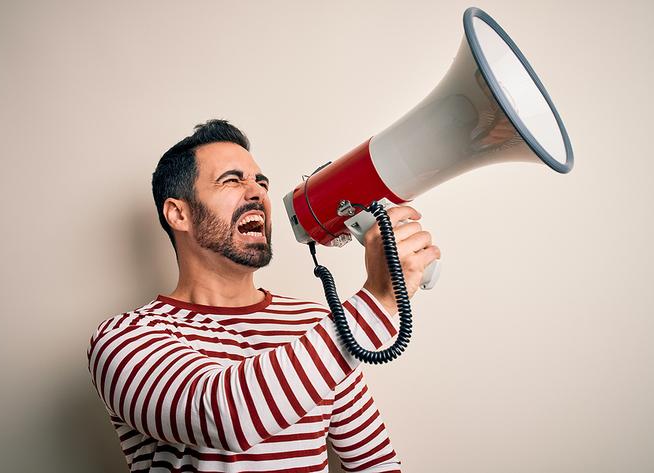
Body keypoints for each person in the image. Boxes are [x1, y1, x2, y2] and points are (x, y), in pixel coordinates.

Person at [87, 119, 441, 472]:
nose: (258, 192)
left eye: (261, 183)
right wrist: (378, 301)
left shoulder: (316, 323)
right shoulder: (124, 338)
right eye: (232, 180)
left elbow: (374, 464)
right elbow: (223, 417)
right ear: (179, 213)